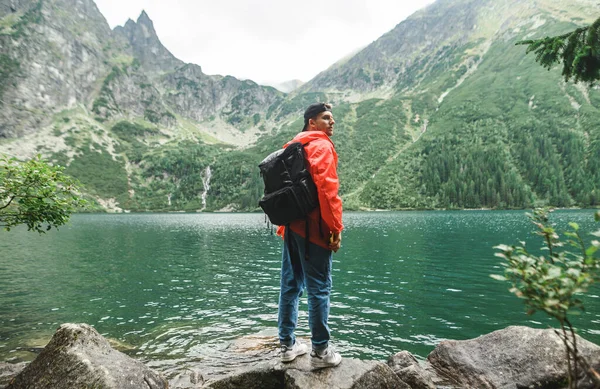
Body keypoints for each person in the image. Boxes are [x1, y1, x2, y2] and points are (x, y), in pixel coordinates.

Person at [276, 102, 344, 368]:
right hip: (314, 229)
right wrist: (335, 230)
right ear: (311, 122)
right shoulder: (321, 145)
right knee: (319, 289)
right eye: (326, 118)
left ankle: (287, 345)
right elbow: (328, 192)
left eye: (332, 118)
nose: (332, 122)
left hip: (291, 227)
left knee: (290, 285)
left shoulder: (291, 146)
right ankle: (320, 351)